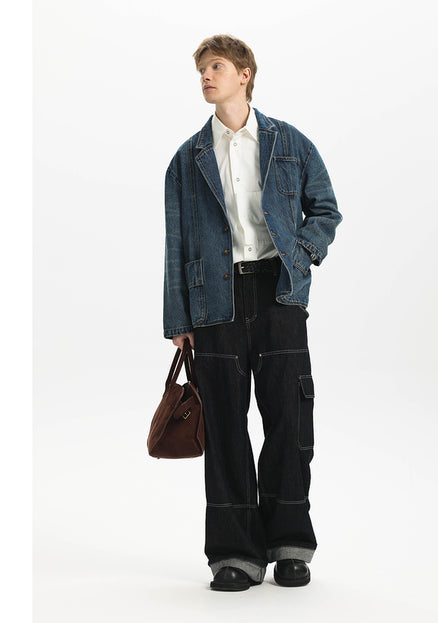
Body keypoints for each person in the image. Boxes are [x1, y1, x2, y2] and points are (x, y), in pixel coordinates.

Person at [163, 34, 342, 591]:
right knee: (224, 426)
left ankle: (290, 545)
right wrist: (179, 322)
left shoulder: (289, 143)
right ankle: (235, 555)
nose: (205, 77)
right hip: (213, 301)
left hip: (278, 293)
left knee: (289, 419)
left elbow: (325, 210)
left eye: (215, 67)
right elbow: (175, 244)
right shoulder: (187, 160)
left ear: (244, 75)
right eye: (201, 70)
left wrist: (301, 255)